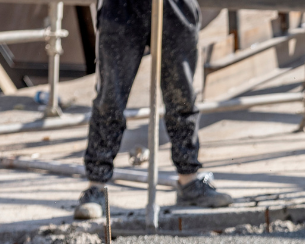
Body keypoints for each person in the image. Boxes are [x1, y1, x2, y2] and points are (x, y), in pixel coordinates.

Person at [74, 0, 232, 220]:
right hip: (121, 9)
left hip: (175, 6)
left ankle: (189, 181)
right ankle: (96, 187)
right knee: (110, 99)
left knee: (182, 95)